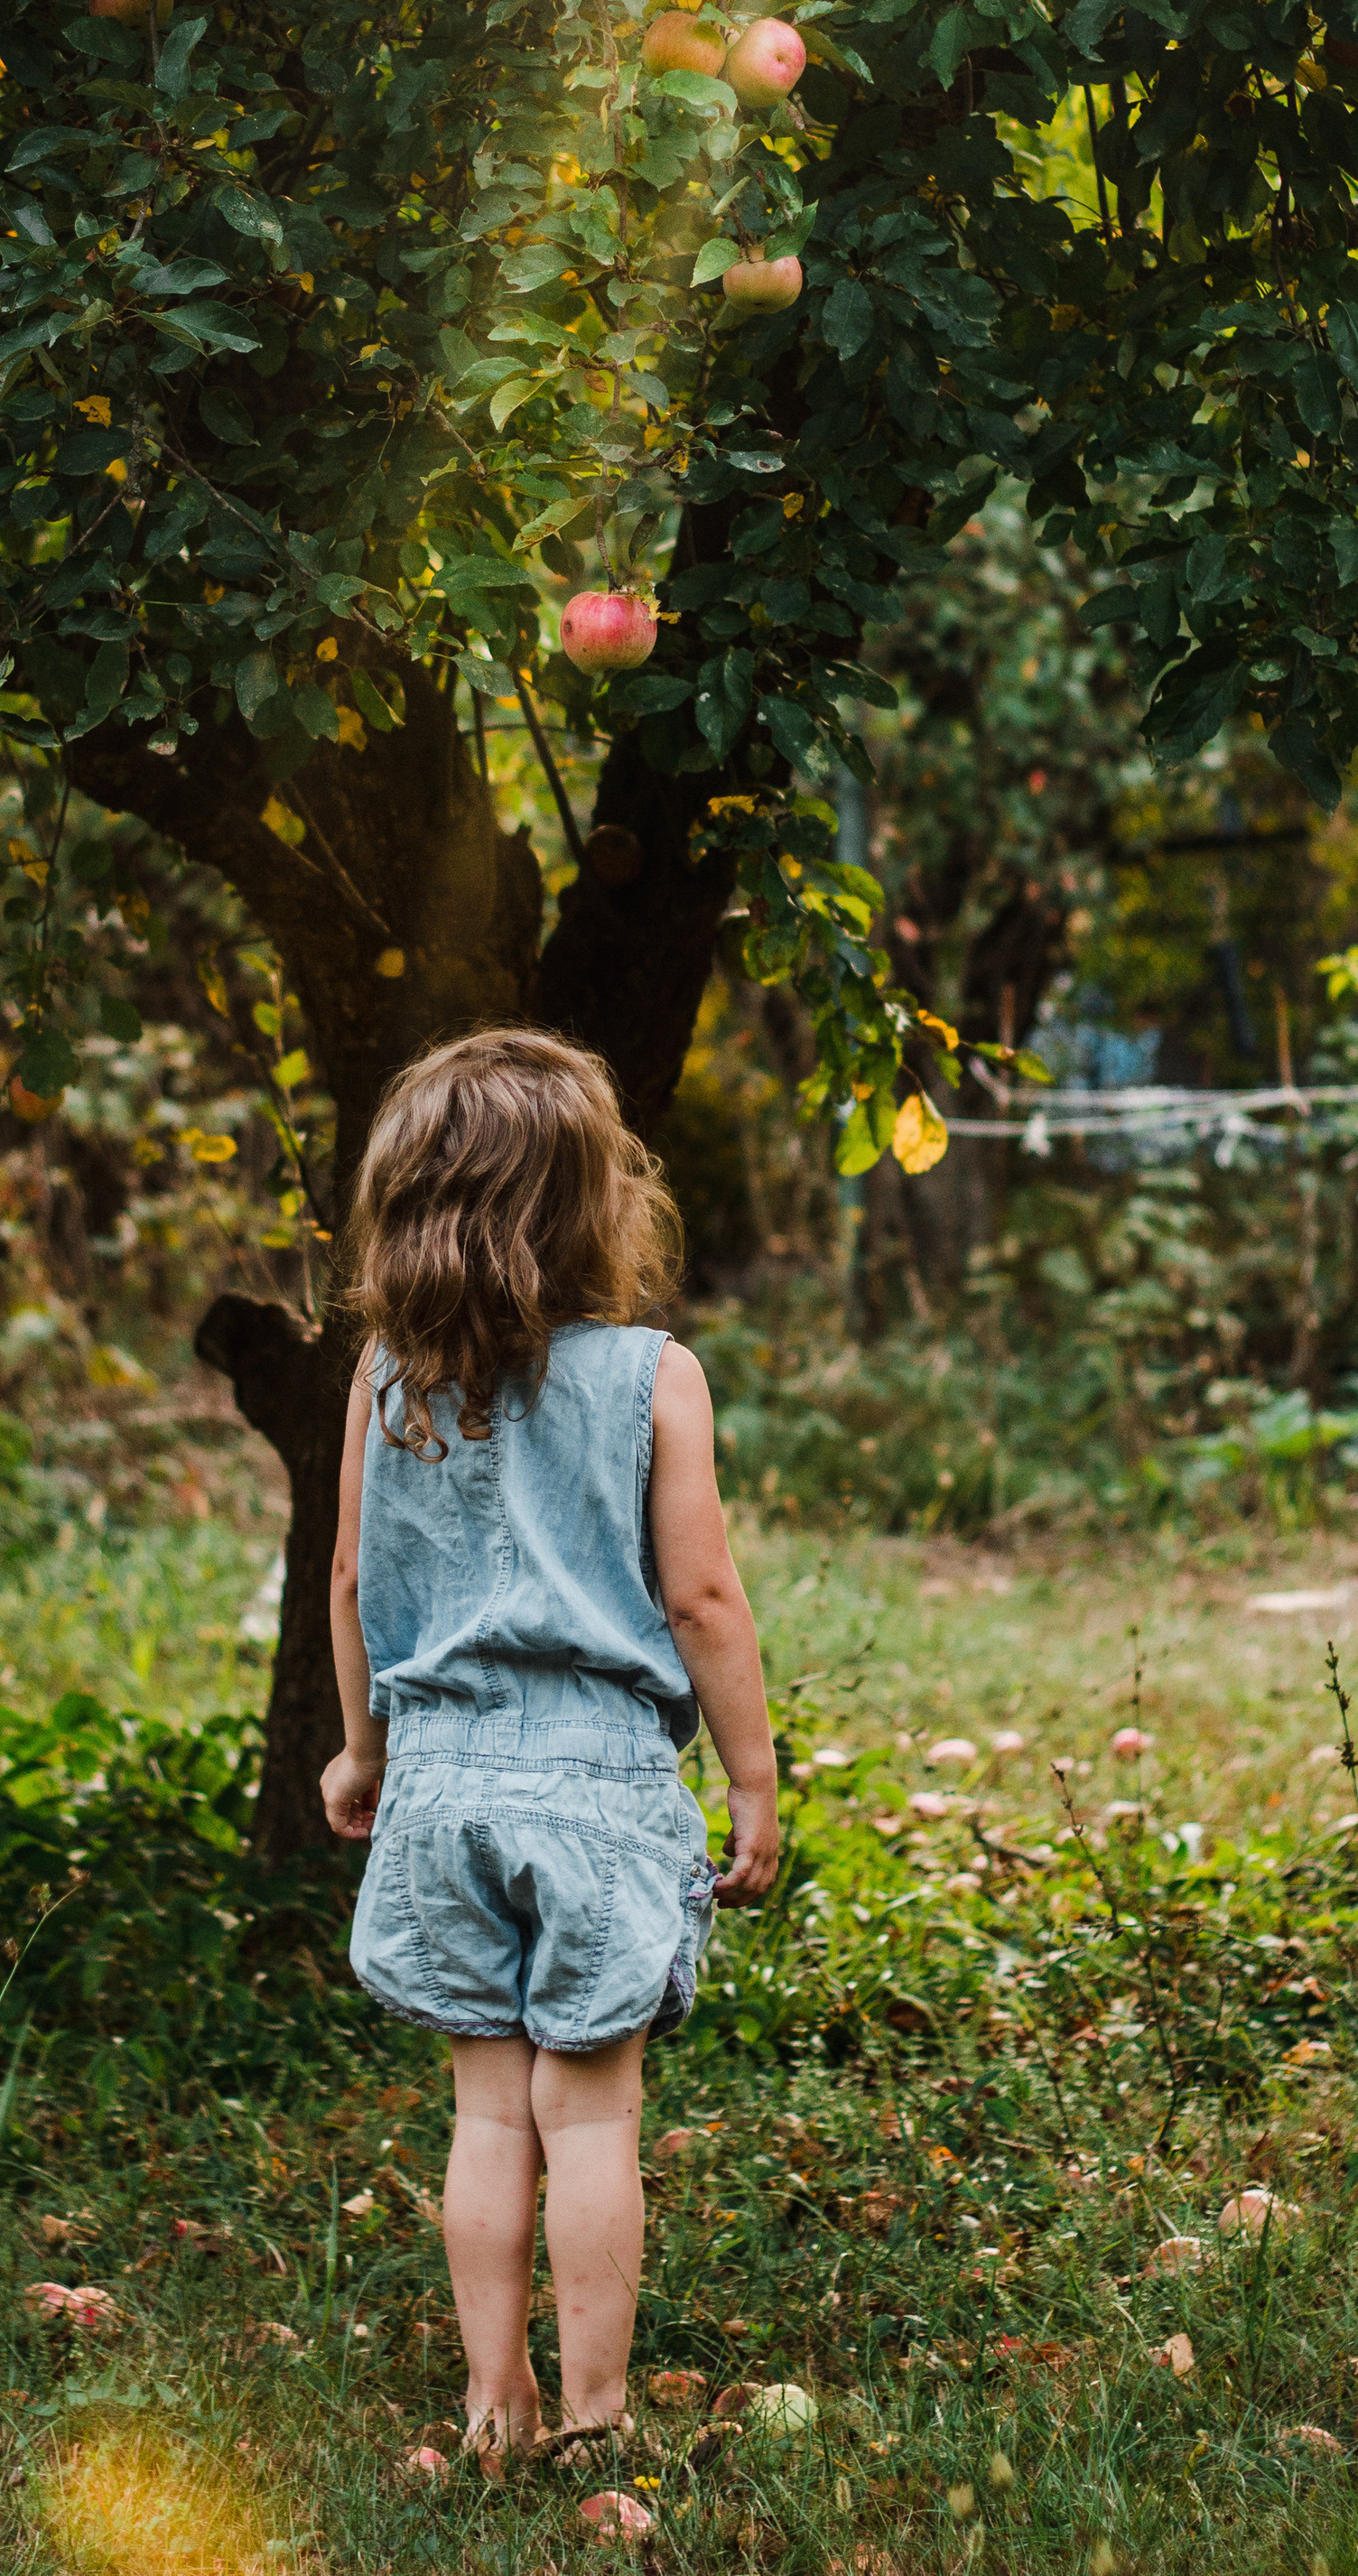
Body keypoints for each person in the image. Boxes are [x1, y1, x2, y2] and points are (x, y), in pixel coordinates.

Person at [320, 1026, 780, 2463]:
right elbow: (703, 1599)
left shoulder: (386, 1379)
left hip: (440, 1785)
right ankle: (595, 2417)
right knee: (589, 2123)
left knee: (485, 2117)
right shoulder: (654, 1376)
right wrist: (753, 1777)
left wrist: (362, 1752)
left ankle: (491, 2403)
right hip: (599, 1786)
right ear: (597, 1203)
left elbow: (352, 1580)